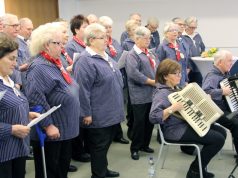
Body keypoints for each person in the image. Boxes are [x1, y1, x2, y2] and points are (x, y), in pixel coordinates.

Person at [150, 58, 226, 178]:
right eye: (176, 74)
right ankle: (195, 171)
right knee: (218, 139)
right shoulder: (162, 93)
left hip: (185, 124)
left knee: (221, 132)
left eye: (180, 73)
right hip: (174, 131)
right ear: (165, 76)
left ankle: (200, 167)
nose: (180, 76)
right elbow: (153, 117)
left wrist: (205, 99)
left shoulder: (175, 88)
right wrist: (172, 108)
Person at [25, 23, 80, 178]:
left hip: (64, 128)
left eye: (62, 43)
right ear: (46, 45)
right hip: (52, 130)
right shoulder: (39, 67)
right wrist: (48, 125)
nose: (62, 47)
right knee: (50, 171)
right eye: (58, 43)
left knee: (61, 169)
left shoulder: (55, 62)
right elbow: (36, 100)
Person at [73, 23, 124, 178]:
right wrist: (86, 113)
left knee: (105, 145)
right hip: (98, 112)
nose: (106, 40)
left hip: (111, 110)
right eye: (102, 37)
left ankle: (103, 169)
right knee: (98, 146)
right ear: (91, 40)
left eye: (106, 37)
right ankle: (98, 174)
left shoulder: (105, 55)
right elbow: (82, 89)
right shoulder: (85, 60)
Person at [0, 32, 39, 178]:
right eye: (11, 59)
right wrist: (10, 129)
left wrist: (25, 114)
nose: (15, 63)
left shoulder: (8, 80)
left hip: (17, 149)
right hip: (3, 154)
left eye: (15, 59)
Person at [125, 26, 157, 160]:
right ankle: (135, 148)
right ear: (137, 39)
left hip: (152, 93)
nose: (148, 40)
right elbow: (133, 74)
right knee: (139, 123)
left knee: (149, 122)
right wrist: (150, 81)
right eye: (146, 38)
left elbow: (157, 66)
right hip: (139, 94)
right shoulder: (132, 54)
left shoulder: (148, 52)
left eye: (149, 38)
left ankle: (145, 144)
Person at [99, 16, 129, 144]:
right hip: (107, 78)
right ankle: (110, 134)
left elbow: (120, 54)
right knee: (109, 106)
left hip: (117, 75)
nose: (108, 29)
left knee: (118, 105)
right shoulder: (100, 43)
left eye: (110, 27)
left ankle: (118, 134)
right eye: (105, 27)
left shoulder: (115, 42)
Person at [202, 50, 238, 157]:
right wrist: (222, 91)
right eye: (229, 61)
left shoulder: (225, 74)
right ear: (220, 62)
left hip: (227, 109)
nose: (231, 63)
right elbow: (204, 93)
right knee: (236, 124)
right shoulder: (212, 76)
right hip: (216, 111)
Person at [156, 22, 189, 87]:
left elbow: (184, 64)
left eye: (176, 30)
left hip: (181, 81)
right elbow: (159, 66)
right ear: (166, 33)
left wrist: (186, 80)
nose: (175, 32)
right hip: (169, 82)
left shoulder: (180, 45)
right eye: (172, 30)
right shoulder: (162, 47)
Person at [1, 13, 22, 89]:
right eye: (14, 26)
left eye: (18, 25)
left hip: (20, 87)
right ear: (3, 26)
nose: (17, 29)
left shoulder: (20, 42)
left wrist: (18, 84)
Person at [183, 16, 205, 86]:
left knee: (199, 86)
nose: (193, 29)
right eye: (191, 27)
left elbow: (202, 47)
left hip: (198, 66)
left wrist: (203, 53)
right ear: (186, 26)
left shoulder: (197, 35)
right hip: (187, 67)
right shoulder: (181, 36)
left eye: (195, 27)